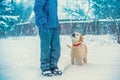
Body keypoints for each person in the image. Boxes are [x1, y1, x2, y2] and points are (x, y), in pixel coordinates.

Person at [34, 0, 62, 77]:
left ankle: (54, 66)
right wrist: (42, 22)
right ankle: (45, 67)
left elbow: (53, 11)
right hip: (45, 25)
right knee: (46, 47)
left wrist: (57, 23)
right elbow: (37, 8)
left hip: (54, 25)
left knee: (56, 47)